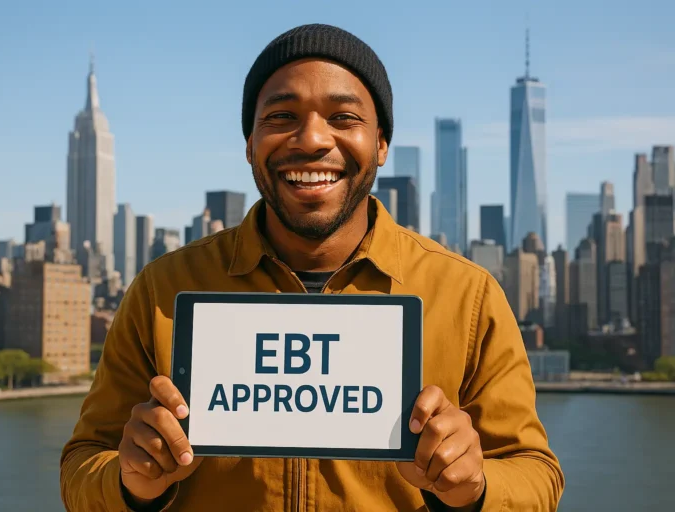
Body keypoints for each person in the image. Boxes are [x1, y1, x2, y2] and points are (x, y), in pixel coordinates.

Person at [60, 23, 564, 512]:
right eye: (280, 117)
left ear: (382, 144)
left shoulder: (467, 295)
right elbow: (81, 466)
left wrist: (474, 490)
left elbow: (536, 475)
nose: (312, 140)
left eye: (344, 118)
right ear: (249, 146)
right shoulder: (162, 290)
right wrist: (131, 484)